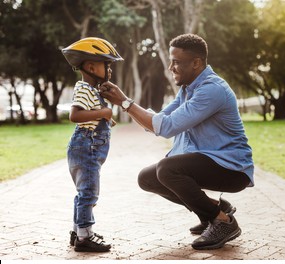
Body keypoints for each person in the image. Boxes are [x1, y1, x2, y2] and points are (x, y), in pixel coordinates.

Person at [100, 33, 254, 250]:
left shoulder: (212, 89)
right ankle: (216, 209)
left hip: (231, 167)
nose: (171, 68)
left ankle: (223, 222)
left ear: (196, 63)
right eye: (171, 62)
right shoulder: (187, 90)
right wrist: (124, 102)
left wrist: (125, 102)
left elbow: (166, 127)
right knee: (147, 178)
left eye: (176, 62)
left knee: (167, 169)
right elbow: (157, 121)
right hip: (208, 162)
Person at [61, 37, 123, 252]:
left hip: (88, 147)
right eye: (108, 65)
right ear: (90, 66)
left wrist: (105, 118)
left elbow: (91, 115)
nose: (110, 70)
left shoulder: (93, 90)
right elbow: (75, 115)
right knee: (88, 193)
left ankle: (78, 231)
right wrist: (105, 112)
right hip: (86, 146)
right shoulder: (85, 89)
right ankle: (85, 237)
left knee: (84, 192)